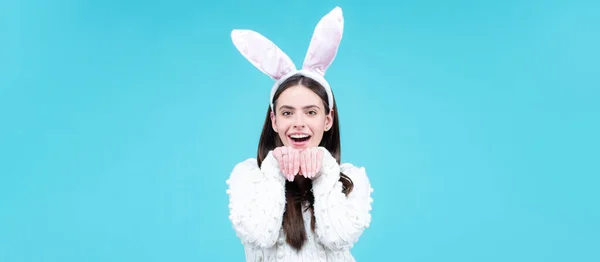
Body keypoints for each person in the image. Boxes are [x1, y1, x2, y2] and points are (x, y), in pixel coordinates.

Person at [225, 6, 373, 262]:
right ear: (273, 120)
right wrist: (274, 167)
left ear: (328, 120)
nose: (298, 123)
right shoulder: (247, 175)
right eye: (287, 113)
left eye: (311, 112)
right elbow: (259, 236)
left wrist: (325, 169)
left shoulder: (351, 178)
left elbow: (338, 238)